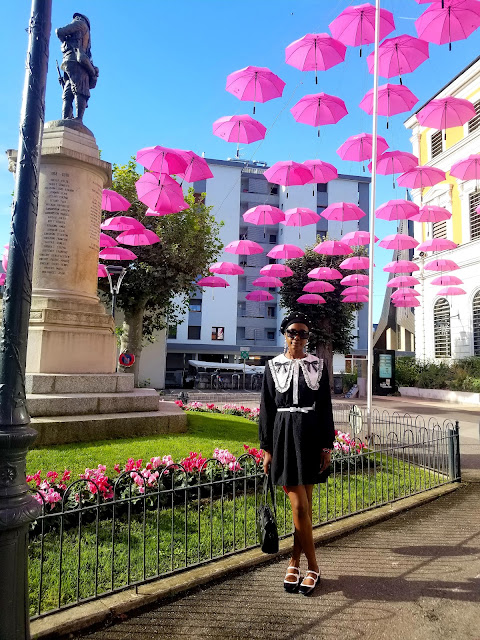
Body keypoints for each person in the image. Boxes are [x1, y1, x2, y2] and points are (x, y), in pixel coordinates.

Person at [258, 312, 335, 596]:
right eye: (292, 332)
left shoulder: (318, 365)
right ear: (284, 334)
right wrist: (266, 448)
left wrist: (327, 445)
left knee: (305, 510)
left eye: (303, 333)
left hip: (311, 436)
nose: (297, 338)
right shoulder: (272, 366)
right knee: (299, 507)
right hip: (283, 436)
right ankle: (313, 567)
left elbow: (325, 407)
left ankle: (294, 561)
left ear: (308, 337)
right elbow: (266, 409)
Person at [56, 13, 99, 122]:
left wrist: (64, 39)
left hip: (72, 60)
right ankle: (74, 119)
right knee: (77, 90)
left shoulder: (80, 24)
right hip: (76, 60)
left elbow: (60, 31)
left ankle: (73, 119)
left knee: (72, 91)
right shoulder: (86, 35)